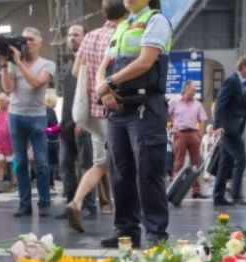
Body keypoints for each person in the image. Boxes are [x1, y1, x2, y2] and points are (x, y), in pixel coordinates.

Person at [95, 0, 172, 248]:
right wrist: (104, 90)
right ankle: (126, 230)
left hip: (145, 106)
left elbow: (145, 61)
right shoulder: (121, 27)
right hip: (118, 109)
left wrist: (109, 83)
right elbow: (103, 66)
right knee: (120, 171)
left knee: (148, 171)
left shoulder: (155, 21)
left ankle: (156, 233)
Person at [63, 0, 126, 233]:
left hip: (94, 111)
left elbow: (75, 71)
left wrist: (92, 78)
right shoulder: (124, 34)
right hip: (116, 110)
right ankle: (126, 216)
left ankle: (76, 201)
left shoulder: (90, 37)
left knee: (101, 163)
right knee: (124, 163)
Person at [0, 27, 56, 218]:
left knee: (41, 163)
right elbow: (8, 88)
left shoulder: (47, 64)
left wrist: (18, 63)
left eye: (31, 39)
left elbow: (36, 83)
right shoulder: (14, 63)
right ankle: (24, 204)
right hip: (15, 115)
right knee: (21, 162)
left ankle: (44, 202)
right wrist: (4, 64)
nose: (27, 43)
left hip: (37, 116)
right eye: (24, 40)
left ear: (40, 42)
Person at [56, 24, 97, 220]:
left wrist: (83, 119)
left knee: (86, 164)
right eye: (70, 35)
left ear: (84, 38)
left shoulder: (88, 62)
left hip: (82, 122)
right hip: (65, 124)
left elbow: (90, 93)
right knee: (65, 166)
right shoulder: (68, 65)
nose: (72, 38)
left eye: (76, 35)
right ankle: (71, 204)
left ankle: (89, 206)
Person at [213, 56, 246, 206]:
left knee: (225, 164)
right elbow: (220, 103)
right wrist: (218, 125)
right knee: (241, 159)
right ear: (243, 67)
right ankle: (236, 195)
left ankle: (218, 196)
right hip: (229, 129)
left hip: (233, 128)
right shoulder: (231, 81)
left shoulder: (239, 82)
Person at [168, 80, 209, 199]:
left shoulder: (197, 104)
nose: (195, 92)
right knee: (178, 163)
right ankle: (175, 191)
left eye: (195, 90)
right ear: (185, 89)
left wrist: (199, 134)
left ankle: (196, 191)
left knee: (195, 163)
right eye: (193, 89)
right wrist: (169, 129)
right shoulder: (174, 102)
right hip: (179, 134)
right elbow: (163, 114)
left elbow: (202, 119)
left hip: (193, 134)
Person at [0, 93, 16, 193]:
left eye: (2, 100)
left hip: (11, 143)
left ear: (7, 101)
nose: (0, 102)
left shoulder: (12, 112)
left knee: (11, 164)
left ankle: (12, 184)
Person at [44, 93, 60, 190]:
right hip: (52, 140)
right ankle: (51, 182)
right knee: (52, 162)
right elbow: (54, 126)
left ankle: (50, 182)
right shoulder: (50, 111)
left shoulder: (44, 110)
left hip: (47, 139)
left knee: (49, 162)